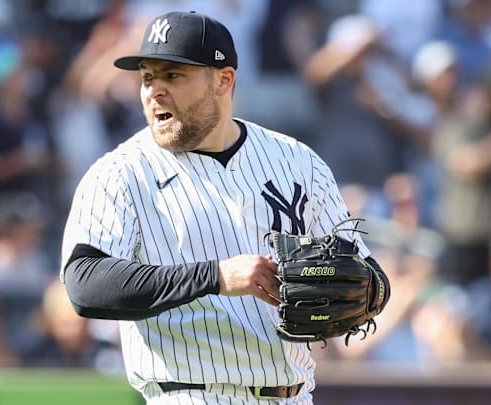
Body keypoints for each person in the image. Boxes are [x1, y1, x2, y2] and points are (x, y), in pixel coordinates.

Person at [60, 11, 390, 404]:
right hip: (189, 395)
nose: (153, 91)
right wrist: (215, 276)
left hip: (295, 395)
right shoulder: (121, 173)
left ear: (224, 80)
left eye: (173, 75)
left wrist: (366, 290)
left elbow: (368, 276)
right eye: (148, 77)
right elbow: (85, 284)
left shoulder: (296, 161)